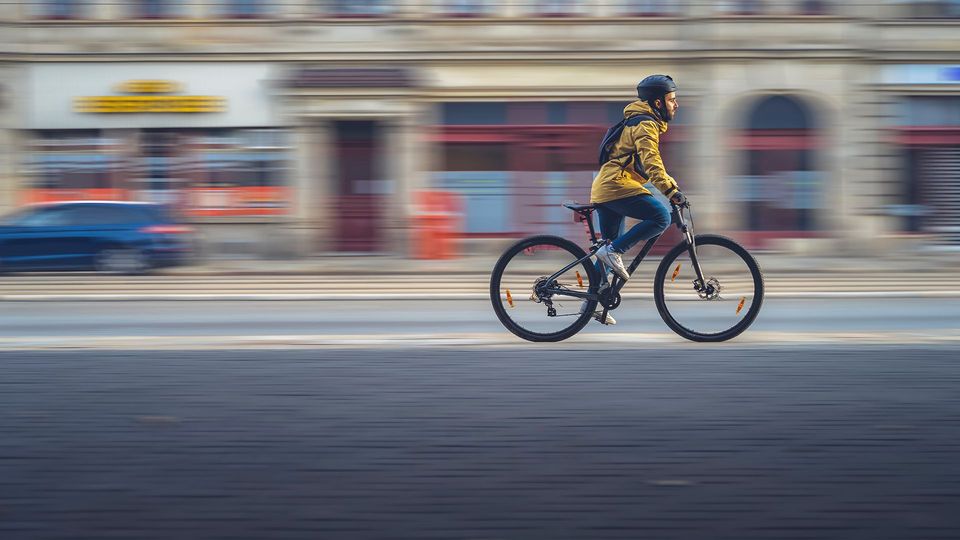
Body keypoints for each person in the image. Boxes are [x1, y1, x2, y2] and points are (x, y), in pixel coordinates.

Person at [582, 74, 686, 326]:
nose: (676, 104)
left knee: (606, 253)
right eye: (671, 99)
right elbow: (652, 163)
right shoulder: (646, 124)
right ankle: (613, 252)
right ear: (658, 102)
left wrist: (670, 187)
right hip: (616, 186)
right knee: (660, 218)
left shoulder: (638, 120)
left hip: (606, 188)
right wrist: (671, 191)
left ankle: (590, 304)